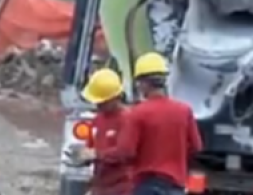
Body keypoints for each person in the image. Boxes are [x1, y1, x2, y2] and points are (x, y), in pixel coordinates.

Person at [96, 52, 201, 195]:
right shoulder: (185, 111)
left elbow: (126, 152)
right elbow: (196, 147)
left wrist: (96, 155)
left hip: (147, 186)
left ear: (143, 83)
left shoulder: (137, 113)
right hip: (175, 186)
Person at [74, 68, 133, 195]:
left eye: (102, 102)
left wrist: (97, 154)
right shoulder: (98, 119)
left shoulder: (127, 119)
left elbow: (125, 152)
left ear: (115, 98)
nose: (98, 105)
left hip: (122, 187)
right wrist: (85, 157)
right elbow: (92, 146)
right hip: (101, 186)